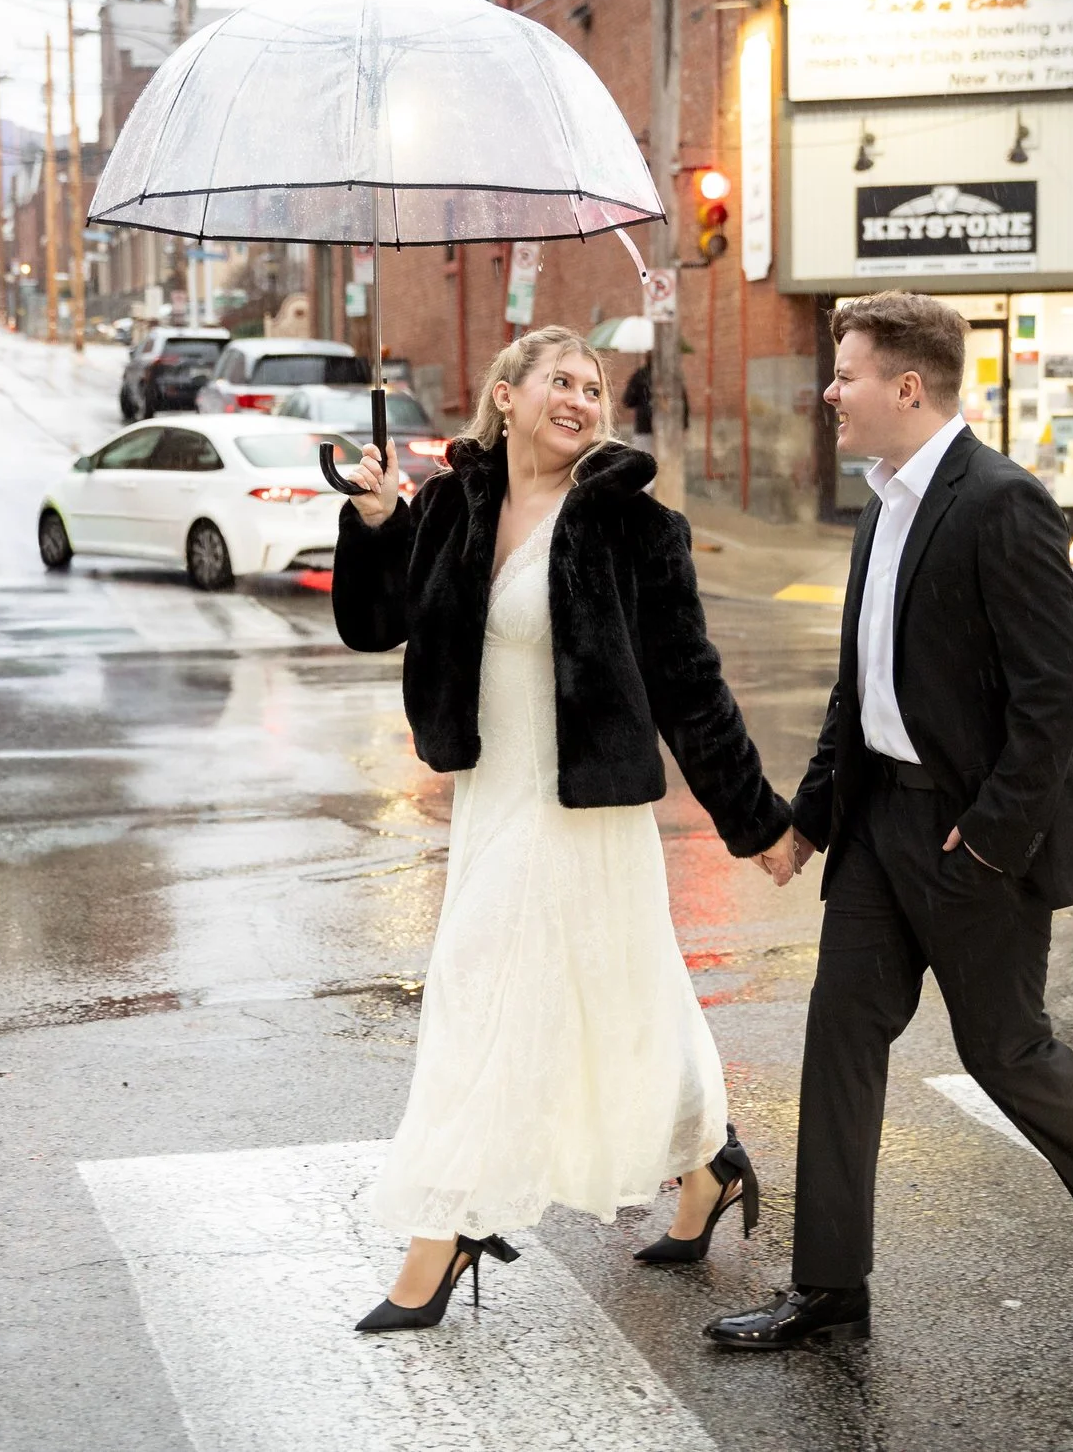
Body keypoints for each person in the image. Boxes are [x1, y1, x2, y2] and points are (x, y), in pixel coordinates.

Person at [705, 292, 1073, 1352]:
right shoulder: (880, 505)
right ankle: (829, 1285)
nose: (829, 392)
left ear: (907, 386)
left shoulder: (1003, 501)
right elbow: (861, 690)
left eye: (846, 374)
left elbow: (1054, 692)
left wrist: (991, 833)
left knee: (1004, 1047)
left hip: (967, 835)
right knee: (841, 1033)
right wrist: (810, 819)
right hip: (876, 827)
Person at [333, 324, 800, 1332]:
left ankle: (447, 1225)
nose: (582, 399)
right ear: (506, 395)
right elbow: (376, 623)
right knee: (630, 995)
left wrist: (756, 818)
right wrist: (374, 521)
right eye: (561, 381)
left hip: (581, 806)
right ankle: (709, 1160)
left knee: (479, 994)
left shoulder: (631, 525)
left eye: (594, 387)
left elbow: (689, 685)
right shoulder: (453, 505)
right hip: (492, 796)